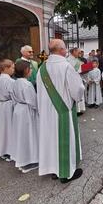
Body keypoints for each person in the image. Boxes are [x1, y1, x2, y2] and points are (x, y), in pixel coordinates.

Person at [37, 39, 85, 183]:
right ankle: (65, 173)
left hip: (47, 111)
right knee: (63, 138)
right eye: (65, 48)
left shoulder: (42, 68)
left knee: (51, 139)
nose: (66, 51)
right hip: (62, 110)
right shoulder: (66, 66)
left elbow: (38, 91)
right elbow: (78, 89)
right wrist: (77, 98)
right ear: (61, 50)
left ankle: (53, 169)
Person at [11, 61, 39, 173]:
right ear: (26, 70)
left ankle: (21, 159)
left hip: (18, 109)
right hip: (27, 111)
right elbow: (32, 101)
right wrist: (39, 109)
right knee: (29, 135)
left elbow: (12, 96)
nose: (31, 71)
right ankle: (29, 160)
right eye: (30, 69)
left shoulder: (15, 82)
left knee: (20, 135)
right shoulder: (26, 84)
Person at [0, 59, 15, 161]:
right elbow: (14, 94)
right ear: (6, 68)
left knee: (3, 128)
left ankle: (4, 150)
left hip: (2, 105)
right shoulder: (10, 81)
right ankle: (11, 151)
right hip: (10, 105)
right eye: (12, 67)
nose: (13, 70)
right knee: (11, 127)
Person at [67, 48, 86, 114]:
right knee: (75, 92)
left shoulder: (77, 60)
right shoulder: (68, 60)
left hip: (79, 78)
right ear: (74, 51)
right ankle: (75, 110)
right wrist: (81, 68)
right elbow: (72, 70)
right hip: (73, 80)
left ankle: (80, 109)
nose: (79, 54)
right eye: (78, 52)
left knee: (80, 92)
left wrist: (85, 67)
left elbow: (80, 69)